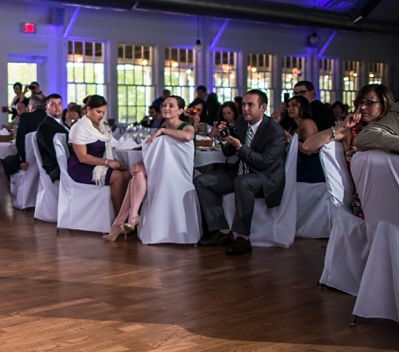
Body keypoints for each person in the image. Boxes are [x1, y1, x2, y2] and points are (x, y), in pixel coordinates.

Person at [193, 90, 288, 256]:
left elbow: (264, 162)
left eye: (250, 105)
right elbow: (229, 153)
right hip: (240, 172)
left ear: (263, 107)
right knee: (202, 181)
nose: (245, 108)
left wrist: (239, 146)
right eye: (243, 104)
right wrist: (226, 139)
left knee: (243, 181)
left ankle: (243, 237)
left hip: (265, 177)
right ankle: (222, 231)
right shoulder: (241, 122)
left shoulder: (275, 132)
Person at [104, 96, 195, 241]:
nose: (166, 108)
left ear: (180, 111)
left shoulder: (184, 126)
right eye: (164, 105)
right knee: (137, 172)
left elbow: (189, 136)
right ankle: (132, 217)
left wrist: (163, 132)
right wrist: (140, 163)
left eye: (171, 106)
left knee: (135, 178)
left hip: (177, 173)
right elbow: (156, 154)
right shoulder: (163, 127)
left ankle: (121, 223)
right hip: (162, 169)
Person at [300, 84, 396, 218]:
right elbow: (307, 146)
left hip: (394, 191)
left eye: (369, 103)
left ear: (384, 104)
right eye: (360, 103)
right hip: (364, 197)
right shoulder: (351, 132)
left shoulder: (395, 131)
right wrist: (342, 126)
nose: (363, 107)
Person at [67, 95, 129, 214]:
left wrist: (114, 161)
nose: (101, 115)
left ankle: (128, 215)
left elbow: (105, 150)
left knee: (127, 175)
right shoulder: (79, 127)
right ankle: (119, 219)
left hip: (96, 164)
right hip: (80, 167)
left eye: (103, 112)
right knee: (118, 177)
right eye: (98, 111)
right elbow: (82, 157)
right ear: (88, 109)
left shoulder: (101, 127)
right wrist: (108, 162)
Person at [282, 95, 324, 183]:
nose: (290, 108)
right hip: (301, 165)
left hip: (311, 167)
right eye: (288, 106)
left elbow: (310, 150)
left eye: (294, 105)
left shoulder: (307, 123)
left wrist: (290, 137)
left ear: (303, 107)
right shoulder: (293, 126)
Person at [3, 95, 46, 177]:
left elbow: (20, 141)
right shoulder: (50, 118)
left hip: (28, 159)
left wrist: (21, 160)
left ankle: (12, 189)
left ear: (32, 106)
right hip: (45, 160)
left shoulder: (26, 117)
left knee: (6, 162)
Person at [35, 94, 69, 183]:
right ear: (46, 107)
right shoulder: (45, 127)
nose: (57, 107)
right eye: (53, 104)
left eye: (59, 104)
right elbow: (55, 153)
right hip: (57, 169)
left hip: (64, 164)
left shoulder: (61, 124)